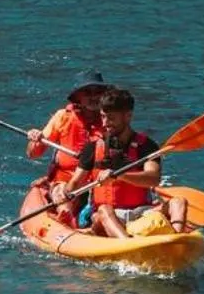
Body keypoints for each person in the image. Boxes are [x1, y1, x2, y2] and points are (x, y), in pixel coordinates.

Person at [65, 87, 190, 239]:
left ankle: (176, 240)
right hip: (108, 216)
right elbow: (75, 183)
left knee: (179, 202)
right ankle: (127, 243)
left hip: (142, 212)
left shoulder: (147, 146)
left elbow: (153, 178)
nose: (105, 123)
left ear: (128, 116)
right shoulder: (93, 148)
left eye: (111, 118)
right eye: (103, 117)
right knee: (104, 210)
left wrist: (120, 176)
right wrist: (66, 193)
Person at [27, 72, 110, 223]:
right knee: (62, 194)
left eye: (98, 92)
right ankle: (65, 218)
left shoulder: (110, 119)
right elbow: (33, 154)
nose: (94, 97)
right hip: (66, 180)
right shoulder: (63, 117)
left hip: (100, 181)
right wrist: (36, 139)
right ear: (78, 97)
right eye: (87, 92)